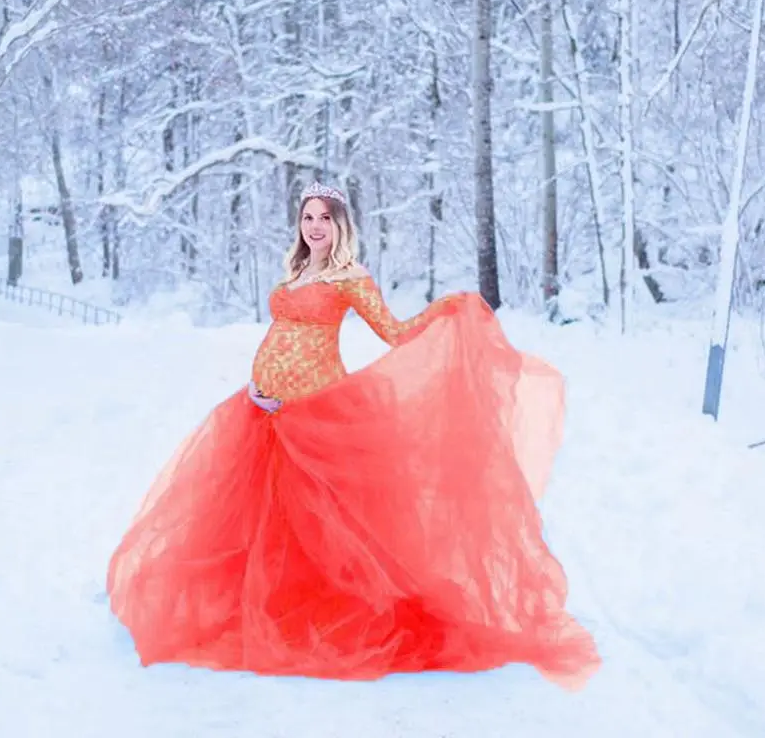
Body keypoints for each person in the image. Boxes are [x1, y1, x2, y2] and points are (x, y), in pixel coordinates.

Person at [107, 181, 600, 688]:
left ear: (340, 224)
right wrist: (258, 383)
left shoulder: (350, 276)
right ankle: (271, 605)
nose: (315, 226)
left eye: (324, 218)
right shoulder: (297, 271)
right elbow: (283, 334)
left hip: (316, 411)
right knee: (265, 521)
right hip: (263, 408)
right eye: (308, 217)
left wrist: (444, 311)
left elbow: (394, 332)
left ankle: (332, 614)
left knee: (329, 524)